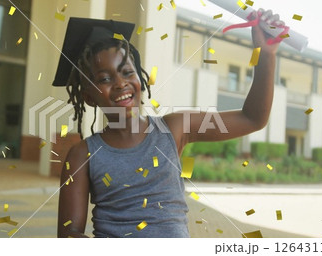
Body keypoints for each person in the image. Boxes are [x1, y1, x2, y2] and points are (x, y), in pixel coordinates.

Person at [55, 9, 284, 238]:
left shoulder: (174, 129)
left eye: (127, 72)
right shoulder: (82, 155)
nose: (120, 83)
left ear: (140, 80)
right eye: (104, 78)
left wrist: (265, 55)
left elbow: (252, 118)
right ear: (88, 97)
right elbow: (69, 234)